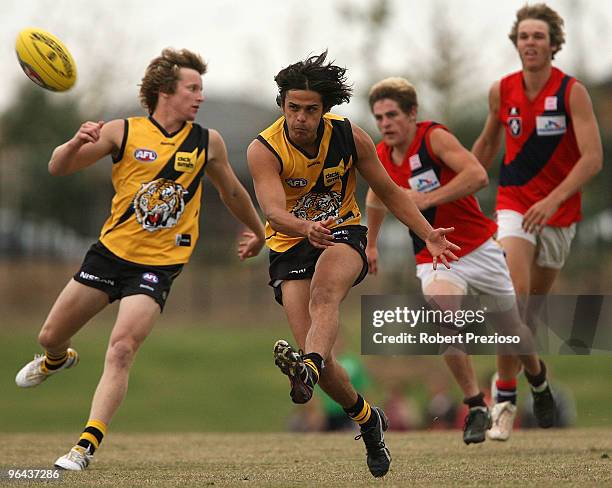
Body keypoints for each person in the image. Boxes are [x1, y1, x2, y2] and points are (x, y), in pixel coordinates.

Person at [15, 48, 266, 470]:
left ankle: (83, 448)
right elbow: (58, 168)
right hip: (109, 255)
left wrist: (259, 232)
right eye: (193, 88)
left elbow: (233, 192)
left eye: (201, 88)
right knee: (49, 336)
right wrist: (76, 140)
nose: (200, 96)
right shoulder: (122, 132)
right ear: (165, 91)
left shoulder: (208, 142)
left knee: (121, 349)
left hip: (159, 265)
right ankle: (57, 359)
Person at [247, 51, 459, 478]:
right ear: (282, 106)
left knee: (324, 297)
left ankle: (306, 364)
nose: (301, 118)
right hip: (290, 243)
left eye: (310, 110)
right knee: (322, 365)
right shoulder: (263, 148)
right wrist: (305, 227)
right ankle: (367, 418)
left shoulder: (350, 137)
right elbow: (272, 212)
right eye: (294, 108)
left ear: (325, 111)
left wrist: (427, 232)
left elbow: (391, 191)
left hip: (343, 234)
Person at [364, 77, 555, 445]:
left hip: (480, 247)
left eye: (392, 115)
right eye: (379, 117)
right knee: (444, 323)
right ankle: (475, 406)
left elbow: (477, 175)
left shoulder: (433, 137)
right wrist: (371, 244)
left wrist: (427, 198)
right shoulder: (382, 156)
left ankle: (538, 379)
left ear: (412, 114)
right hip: (433, 254)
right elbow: (375, 197)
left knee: (512, 330)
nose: (385, 123)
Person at [472, 3, 603, 440]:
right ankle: (505, 397)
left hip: (559, 214)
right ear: (516, 42)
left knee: (527, 311)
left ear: (552, 44)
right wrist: (461, 189)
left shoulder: (572, 92)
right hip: (513, 205)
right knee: (510, 298)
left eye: (538, 36)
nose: (530, 43)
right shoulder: (502, 91)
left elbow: (592, 158)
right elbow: (487, 146)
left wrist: (554, 199)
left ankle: (539, 380)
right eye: (524, 36)